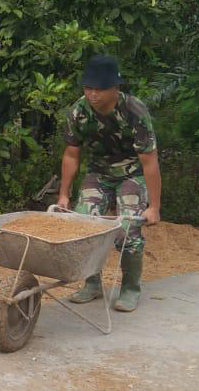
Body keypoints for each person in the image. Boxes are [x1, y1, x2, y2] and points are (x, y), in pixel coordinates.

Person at [55, 54, 162, 312]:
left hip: (131, 173)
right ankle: (92, 284)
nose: (92, 94)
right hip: (99, 172)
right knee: (85, 224)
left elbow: (150, 162)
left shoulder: (134, 111)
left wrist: (154, 207)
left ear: (115, 88)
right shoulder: (78, 112)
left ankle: (130, 288)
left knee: (128, 230)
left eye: (99, 89)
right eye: (88, 88)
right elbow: (71, 154)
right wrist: (64, 195)